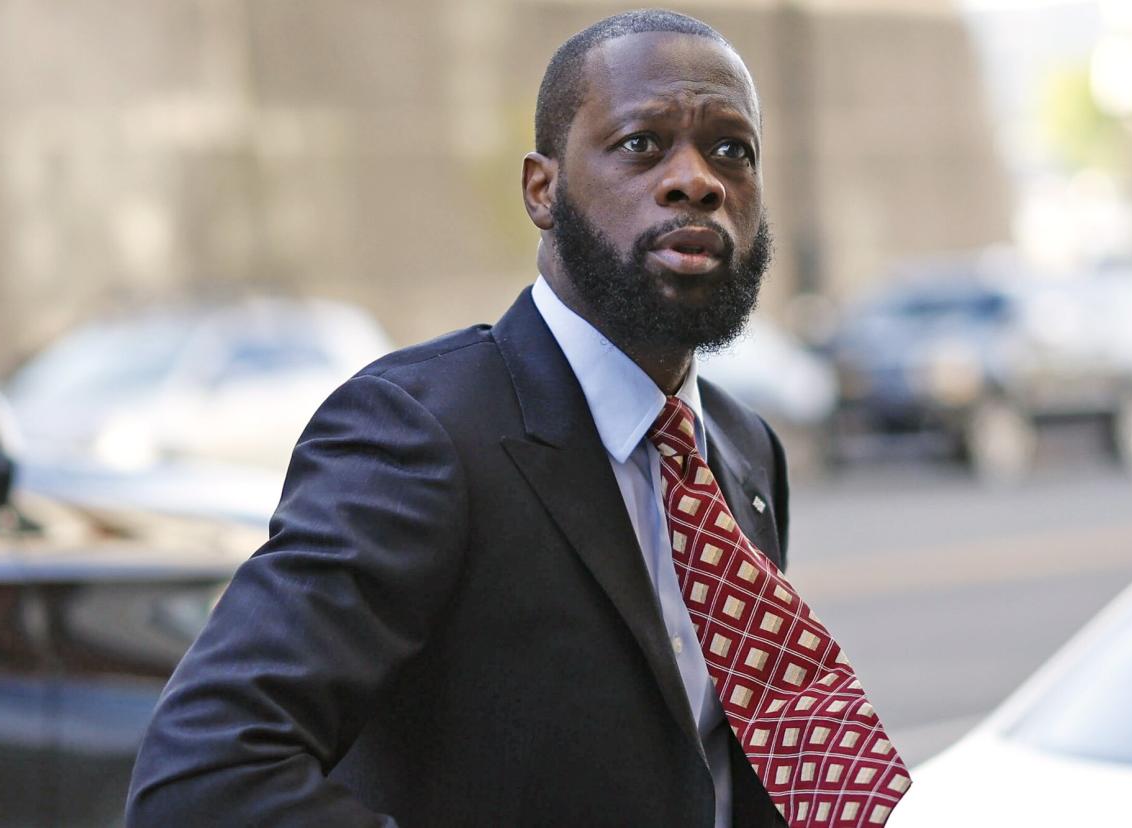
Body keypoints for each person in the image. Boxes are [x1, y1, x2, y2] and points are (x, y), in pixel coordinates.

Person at [127, 10, 908, 828]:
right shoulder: (417, 434)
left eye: (731, 150)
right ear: (543, 190)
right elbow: (203, 776)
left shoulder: (746, 451)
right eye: (642, 144)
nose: (697, 179)